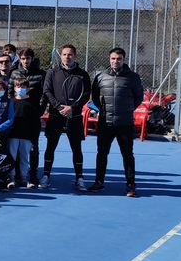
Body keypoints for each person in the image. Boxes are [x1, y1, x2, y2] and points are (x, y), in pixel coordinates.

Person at [88, 47, 144, 197]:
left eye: (118, 59)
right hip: (105, 123)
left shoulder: (133, 77)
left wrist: (126, 109)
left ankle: (131, 185)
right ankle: (99, 182)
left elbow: (138, 98)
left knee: (127, 155)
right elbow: (95, 98)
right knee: (102, 154)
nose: (115, 61)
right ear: (109, 59)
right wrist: (105, 111)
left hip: (125, 123)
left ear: (123, 60)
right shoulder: (100, 77)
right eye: (113, 58)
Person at [41, 44, 91, 191]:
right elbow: (47, 91)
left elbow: (86, 94)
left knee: (77, 148)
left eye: (70, 54)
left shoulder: (83, 74)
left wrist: (72, 108)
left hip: (74, 117)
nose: (67, 57)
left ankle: (79, 177)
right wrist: (58, 107)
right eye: (64, 54)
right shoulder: (52, 72)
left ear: (75, 56)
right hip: (55, 116)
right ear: (61, 56)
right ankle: (46, 175)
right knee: (51, 146)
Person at [9, 48, 46, 185]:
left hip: (32, 116)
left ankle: (33, 174)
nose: (25, 61)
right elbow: (9, 92)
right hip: (17, 116)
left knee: (33, 147)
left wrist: (39, 110)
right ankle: (16, 174)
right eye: (23, 58)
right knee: (14, 147)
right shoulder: (14, 73)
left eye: (28, 58)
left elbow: (44, 94)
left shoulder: (40, 74)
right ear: (19, 59)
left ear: (32, 58)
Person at [7, 77, 38, 189]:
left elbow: (35, 123)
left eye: (23, 86)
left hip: (26, 136)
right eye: (18, 86)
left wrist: (34, 138)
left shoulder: (31, 104)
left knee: (25, 158)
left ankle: (24, 178)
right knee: (12, 157)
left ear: (27, 88)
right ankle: (12, 178)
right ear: (14, 88)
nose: (20, 88)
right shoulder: (11, 102)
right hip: (13, 135)